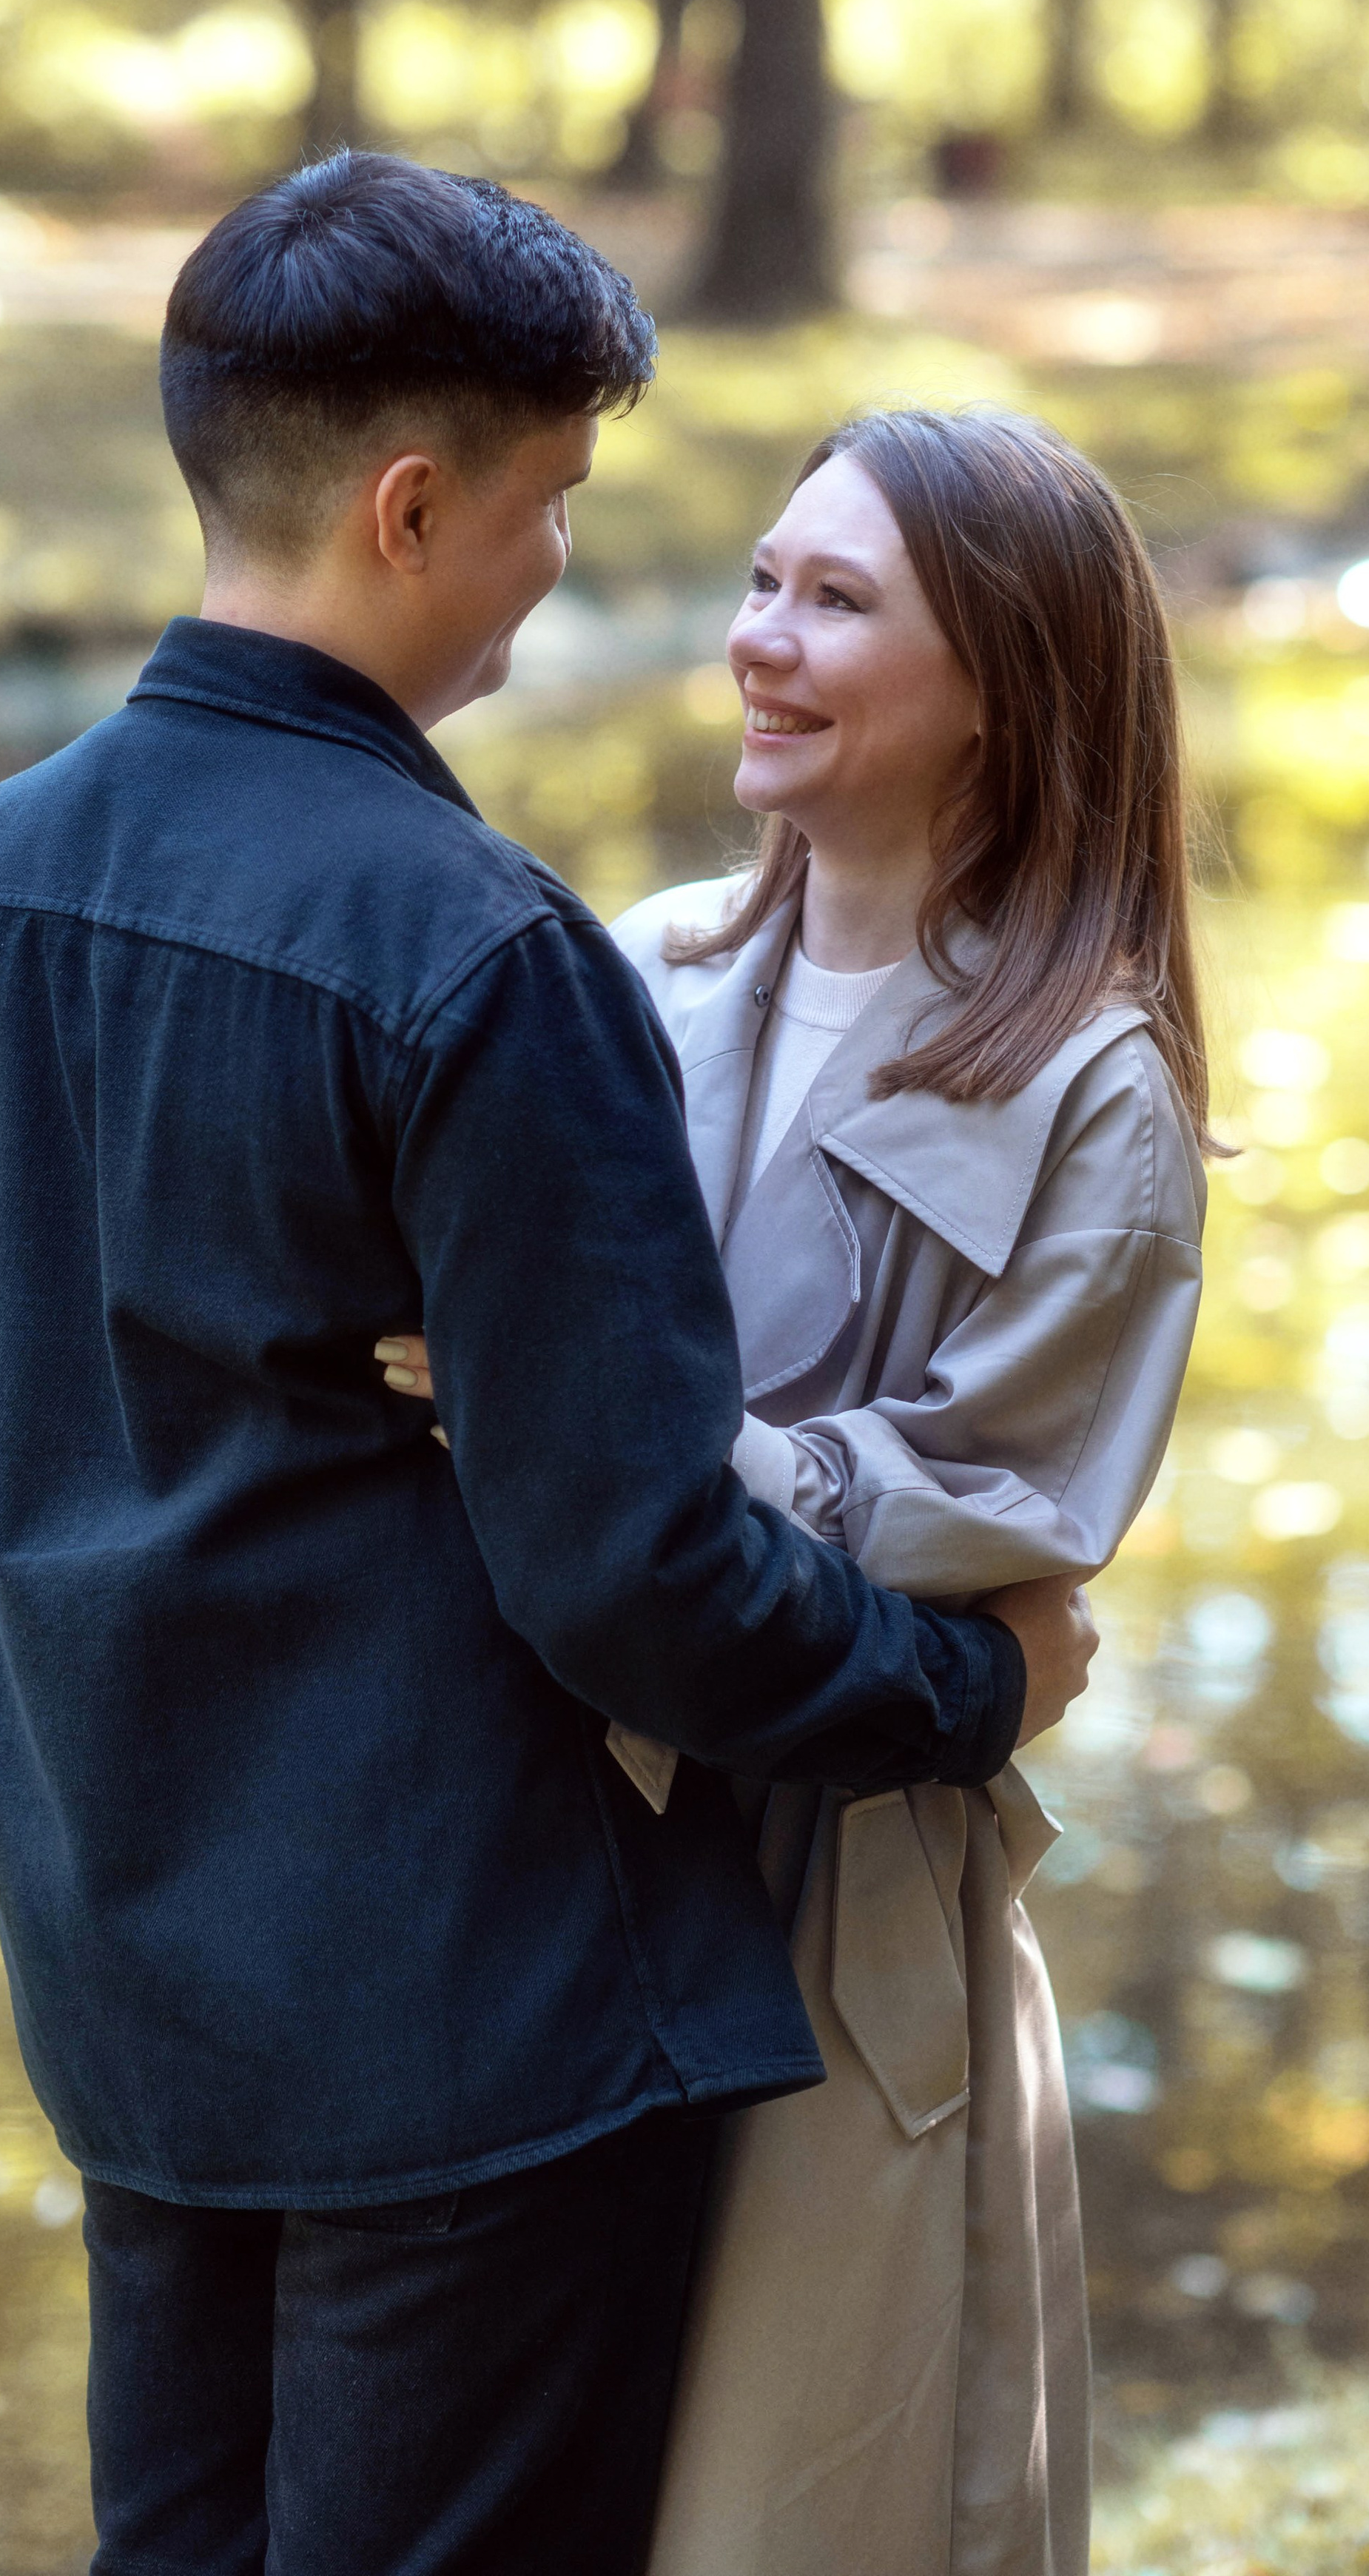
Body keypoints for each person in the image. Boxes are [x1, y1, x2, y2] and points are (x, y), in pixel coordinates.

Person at [0, 155, 1093, 2576]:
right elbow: (637, 1567)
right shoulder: (482, 956)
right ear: (412, 504)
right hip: (481, 2041)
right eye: (551, 510)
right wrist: (966, 1683)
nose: (560, 576)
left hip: (130, 1990)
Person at [385, 405, 1211, 2572]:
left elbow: (998, 1509)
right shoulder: (637, 970)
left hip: (843, 1897)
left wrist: (581, 1422)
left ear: (1010, 680)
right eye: (764, 582)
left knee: (805, 2500)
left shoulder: (1091, 1084)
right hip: (548, 1865)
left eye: (837, 600)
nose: (760, 637)